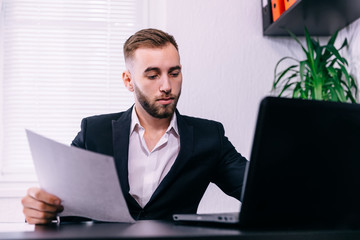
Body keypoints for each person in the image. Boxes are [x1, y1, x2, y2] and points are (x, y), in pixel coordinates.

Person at [21, 28, 248, 224]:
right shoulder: (94, 132)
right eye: (153, 75)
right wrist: (41, 208)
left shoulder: (209, 136)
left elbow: (258, 190)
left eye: (174, 73)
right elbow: (61, 204)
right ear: (129, 80)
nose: (167, 86)